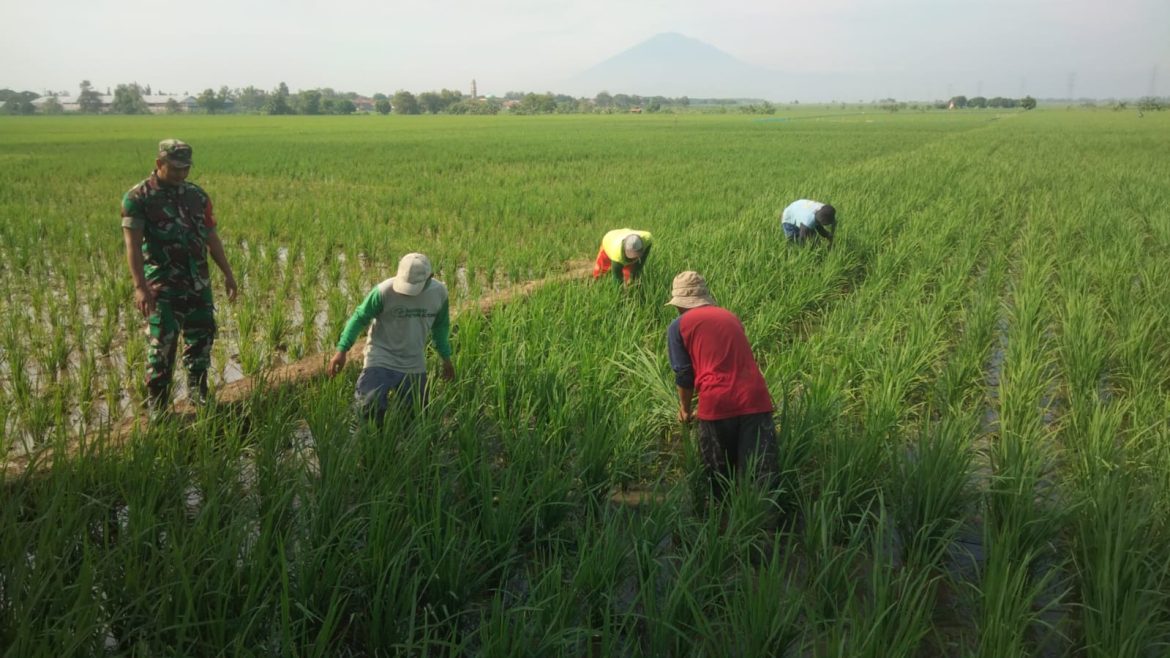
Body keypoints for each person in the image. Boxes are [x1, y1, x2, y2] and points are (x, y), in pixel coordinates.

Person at [121, 139, 238, 414]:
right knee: (163, 344)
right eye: (175, 168)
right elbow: (133, 245)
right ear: (159, 164)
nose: (181, 174)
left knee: (202, 338)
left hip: (198, 282)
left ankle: (199, 393)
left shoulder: (196, 196)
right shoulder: (138, 198)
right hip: (163, 286)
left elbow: (211, 236)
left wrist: (228, 274)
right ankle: (157, 406)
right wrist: (140, 287)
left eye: (186, 168)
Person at [665, 271, 778, 499]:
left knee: (718, 480)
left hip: (717, 403)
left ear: (679, 303)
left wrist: (685, 410)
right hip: (756, 398)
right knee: (760, 479)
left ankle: (721, 527)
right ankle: (760, 527)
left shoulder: (677, 326)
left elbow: (684, 373)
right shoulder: (729, 316)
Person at [328, 252, 455, 427]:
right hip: (381, 356)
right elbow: (360, 318)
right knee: (368, 411)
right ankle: (371, 449)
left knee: (417, 417)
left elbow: (440, 327)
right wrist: (341, 350)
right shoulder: (384, 291)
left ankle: (401, 450)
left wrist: (446, 359)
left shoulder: (439, 293)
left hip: (413, 362)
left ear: (430, 277)